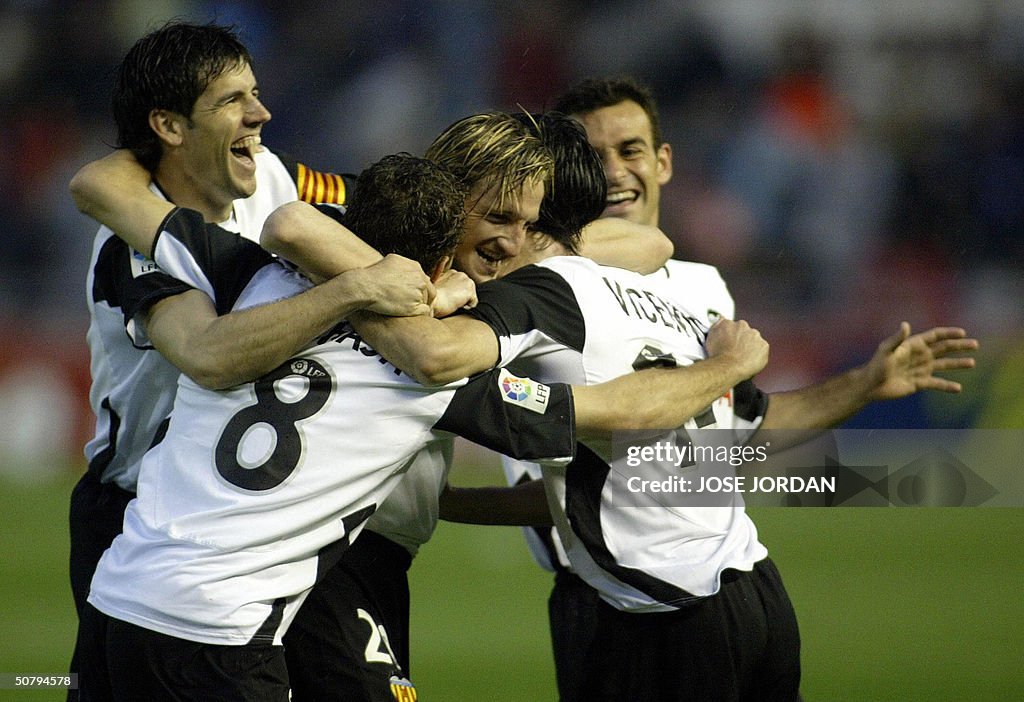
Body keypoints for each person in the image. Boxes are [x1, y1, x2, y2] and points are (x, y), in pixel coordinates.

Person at [285, 111, 977, 701]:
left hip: (660, 609)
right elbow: (737, 427)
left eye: (521, 219)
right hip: (747, 594)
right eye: (498, 214)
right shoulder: (658, 293)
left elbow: (455, 363)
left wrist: (410, 297)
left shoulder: (533, 293)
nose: (506, 239)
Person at [75, 148, 772, 701]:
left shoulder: (249, 276)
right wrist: (722, 372)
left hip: (119, 592)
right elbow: (619, 411)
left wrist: (366, 282)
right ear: (443, 255)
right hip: (229, 626)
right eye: (497, 220)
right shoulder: (441, 378)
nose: (512, 241)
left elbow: (277, 221)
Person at [68, 20, 429, 700]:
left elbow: (379, 206)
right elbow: (210, 357)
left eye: (256, 92)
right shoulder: (132, 242)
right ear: (169, 126)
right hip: (147, 519)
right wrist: (354, 290)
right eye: (235, 100)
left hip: (264, 518)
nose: (261, 113)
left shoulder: (273, 175)